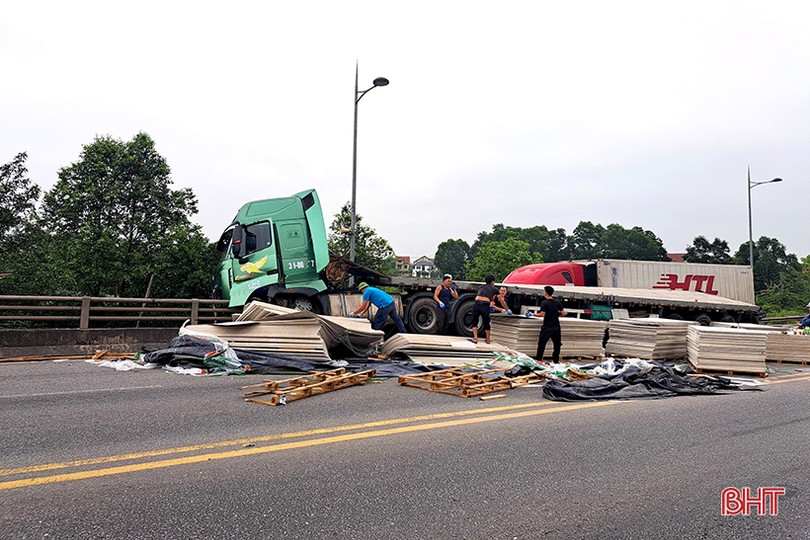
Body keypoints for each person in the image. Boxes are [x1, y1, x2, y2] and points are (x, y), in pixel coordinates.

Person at [526, 285, 567, 363]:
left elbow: (542, 314)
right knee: (557, 344)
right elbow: (563, 313)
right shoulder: (557, 302)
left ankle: (539, 359)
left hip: (547, 326)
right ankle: (555, 361)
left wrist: (533, 314)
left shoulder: (544, 303)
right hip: (556, 327)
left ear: (546, 293)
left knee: (542, 344)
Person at [471, 275, 499, 344]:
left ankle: (475, 338)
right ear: (492, 282)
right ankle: (488, 339)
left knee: (474, 321)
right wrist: (506, 309)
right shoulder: (494, 289)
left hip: (476, 303)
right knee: (486, 322)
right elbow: (501, 299)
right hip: (484, 304)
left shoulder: (481, 286)